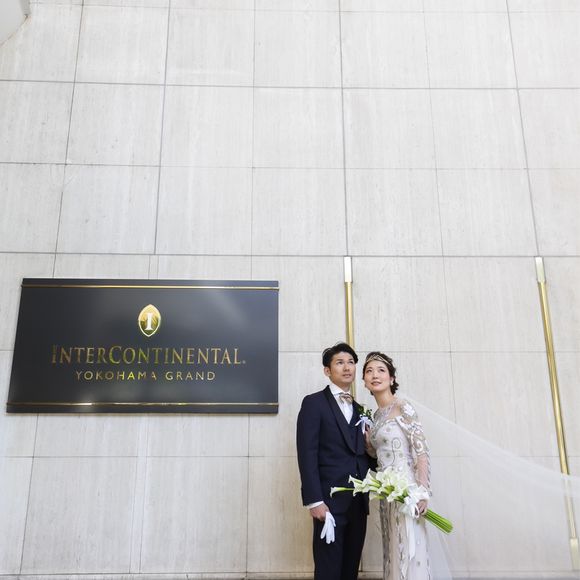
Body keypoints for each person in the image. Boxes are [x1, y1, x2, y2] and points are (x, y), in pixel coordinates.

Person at [296, 342, 376, 580]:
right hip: (328, 503)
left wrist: (372, 449)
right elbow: (306, 453)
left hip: (358, 503)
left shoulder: (361, 409)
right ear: (327, 370)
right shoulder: (313, 403)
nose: (347, 367)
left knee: (350, 569)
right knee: (328, 569)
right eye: (340, 363)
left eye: (351, 362)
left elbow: (365, 456)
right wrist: (314, 500)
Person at [363, 351, 431, 580]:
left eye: (381, 370)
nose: (375, 375)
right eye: (369, 371)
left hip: (408, 492)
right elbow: (381, 453)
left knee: (410, 551)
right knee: (393, 550)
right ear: (364, 381)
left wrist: (422, 492)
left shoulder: (403, 407)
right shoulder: (376, 416)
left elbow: (420, 450)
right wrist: (368, 445)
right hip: (388, 494)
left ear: (391, 378)